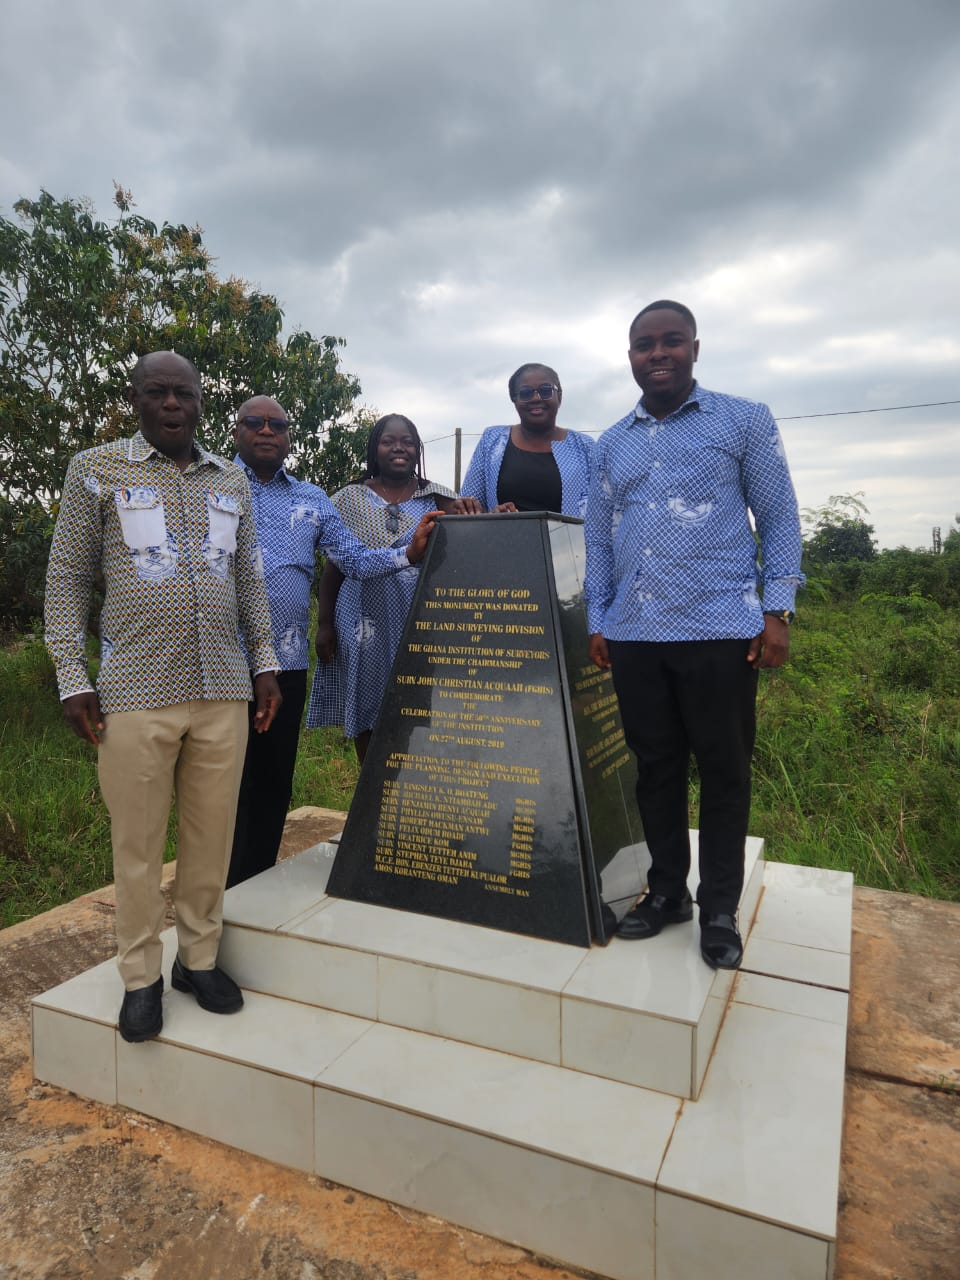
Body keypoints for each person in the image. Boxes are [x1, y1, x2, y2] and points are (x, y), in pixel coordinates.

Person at [44, 351, 282, 1044]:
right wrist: (72, 675)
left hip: (223, 690)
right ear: (137, 399)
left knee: (212, 837)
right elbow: (66, 581)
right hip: (134, 689)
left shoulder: (230, 478)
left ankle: (198, 960)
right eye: (158, 393)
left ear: (202, 402)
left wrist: (264, 664)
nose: (172, 404)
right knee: (138, 845)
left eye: (184, 393)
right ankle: (141, 977)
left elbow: (249, 584)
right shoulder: (96, 470)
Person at [583, 301, 804, 970]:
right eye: (644, 344)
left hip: (718, 629)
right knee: (655, 769)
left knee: (724, 771)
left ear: (694, 349)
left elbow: (780, 515)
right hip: (635, 634)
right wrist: (599, 617)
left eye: (670, 342)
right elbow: (598, 538)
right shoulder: (612, 442)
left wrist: (778, 611)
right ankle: (668, 894)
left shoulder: (742, 420)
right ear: (629, 357)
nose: (658, 354)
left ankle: (717, 909)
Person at [226, 400, 441, 885]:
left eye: (277, 425)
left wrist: (408, 552)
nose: (267, 432)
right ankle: (216, 894)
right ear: (235, 431)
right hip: (220, 662)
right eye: (254, 423)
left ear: (288, 436)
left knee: (273, 783)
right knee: (221, 785)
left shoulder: (312, 498)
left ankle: (251, 886)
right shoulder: (210, 486)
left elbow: (355, 561)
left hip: (283, 664)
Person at [306, 414, 457, 763]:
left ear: (417, 450)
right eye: (389, 441)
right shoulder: (348, 498)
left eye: (407, 441)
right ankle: (372, 794)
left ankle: (412, 791)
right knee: (368, 705)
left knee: (417, 702)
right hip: (361, 621)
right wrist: (325, 623)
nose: (399, 447)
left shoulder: (437, 497)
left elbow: (470, 537)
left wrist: (479, 512)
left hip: (418, 618)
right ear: (375, 448)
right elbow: (335, 566)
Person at [460, 363, 595, 515]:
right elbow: (468, 507)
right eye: (526, 393)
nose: (536, 398)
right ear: (514, 399)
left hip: (572, 539)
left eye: (545, 391)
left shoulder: (586, 447)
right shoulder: (492, 440)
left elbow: (603, 510)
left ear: (560, 396)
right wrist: (493, 516)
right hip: (504, 537)